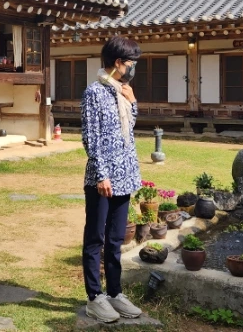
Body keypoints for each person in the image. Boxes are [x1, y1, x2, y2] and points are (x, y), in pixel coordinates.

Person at [80, 36, 143, 323]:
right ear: (118, 63)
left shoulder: (123, 91)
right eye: (131, 63)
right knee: (96, 238)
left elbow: (128, 129)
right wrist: (101, 174)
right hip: (102, 178)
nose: (133, 68)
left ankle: (115, 293)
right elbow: (90, 137)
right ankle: (95, 297)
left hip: (125, 174)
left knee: (116, 239)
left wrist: (133, 102)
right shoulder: (94, 93)